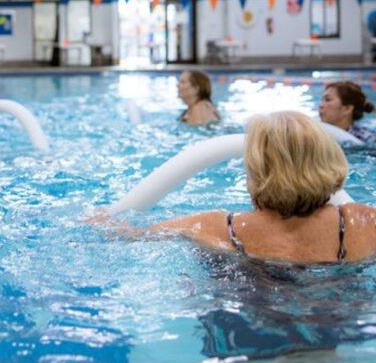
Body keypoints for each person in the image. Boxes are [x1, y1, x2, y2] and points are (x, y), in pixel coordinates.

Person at [102, 111, 376, 263]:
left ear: (257, 169)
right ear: (328, 159)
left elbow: (130, 236)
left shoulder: (214, 227)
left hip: (243, 346)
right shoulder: (364, 223)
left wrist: (97, 219)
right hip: (339, 333)